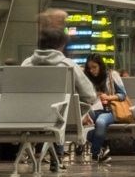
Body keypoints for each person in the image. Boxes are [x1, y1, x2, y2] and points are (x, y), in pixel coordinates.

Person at [24, 19, 95, 169]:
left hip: (29, 118)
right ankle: (57, 157)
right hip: (63, 119)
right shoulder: (68, 65)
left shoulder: (26, 64)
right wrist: (81, 111)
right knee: (61, 113)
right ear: (61, 45)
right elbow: (89, 96)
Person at [81, 56, 126, 162]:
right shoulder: (86, 78)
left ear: (100, 66)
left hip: (108, 110)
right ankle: (101, 149)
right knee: (81, 121)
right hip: (91, 109)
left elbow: (123, 95)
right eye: (89, 68)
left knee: (100, 123)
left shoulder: (112, 75)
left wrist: (108, 97)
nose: (92, 70)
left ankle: (95, 153)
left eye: (94, 67)